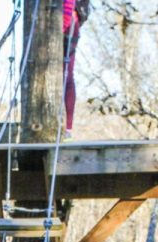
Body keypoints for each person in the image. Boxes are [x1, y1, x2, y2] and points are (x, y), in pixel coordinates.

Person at [63, 0, 89, 139]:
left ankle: (67, 128)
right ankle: (66, 127)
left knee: (66, 77)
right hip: (68, 19)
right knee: (66, 77)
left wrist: (66, 21)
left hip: (69, 20)